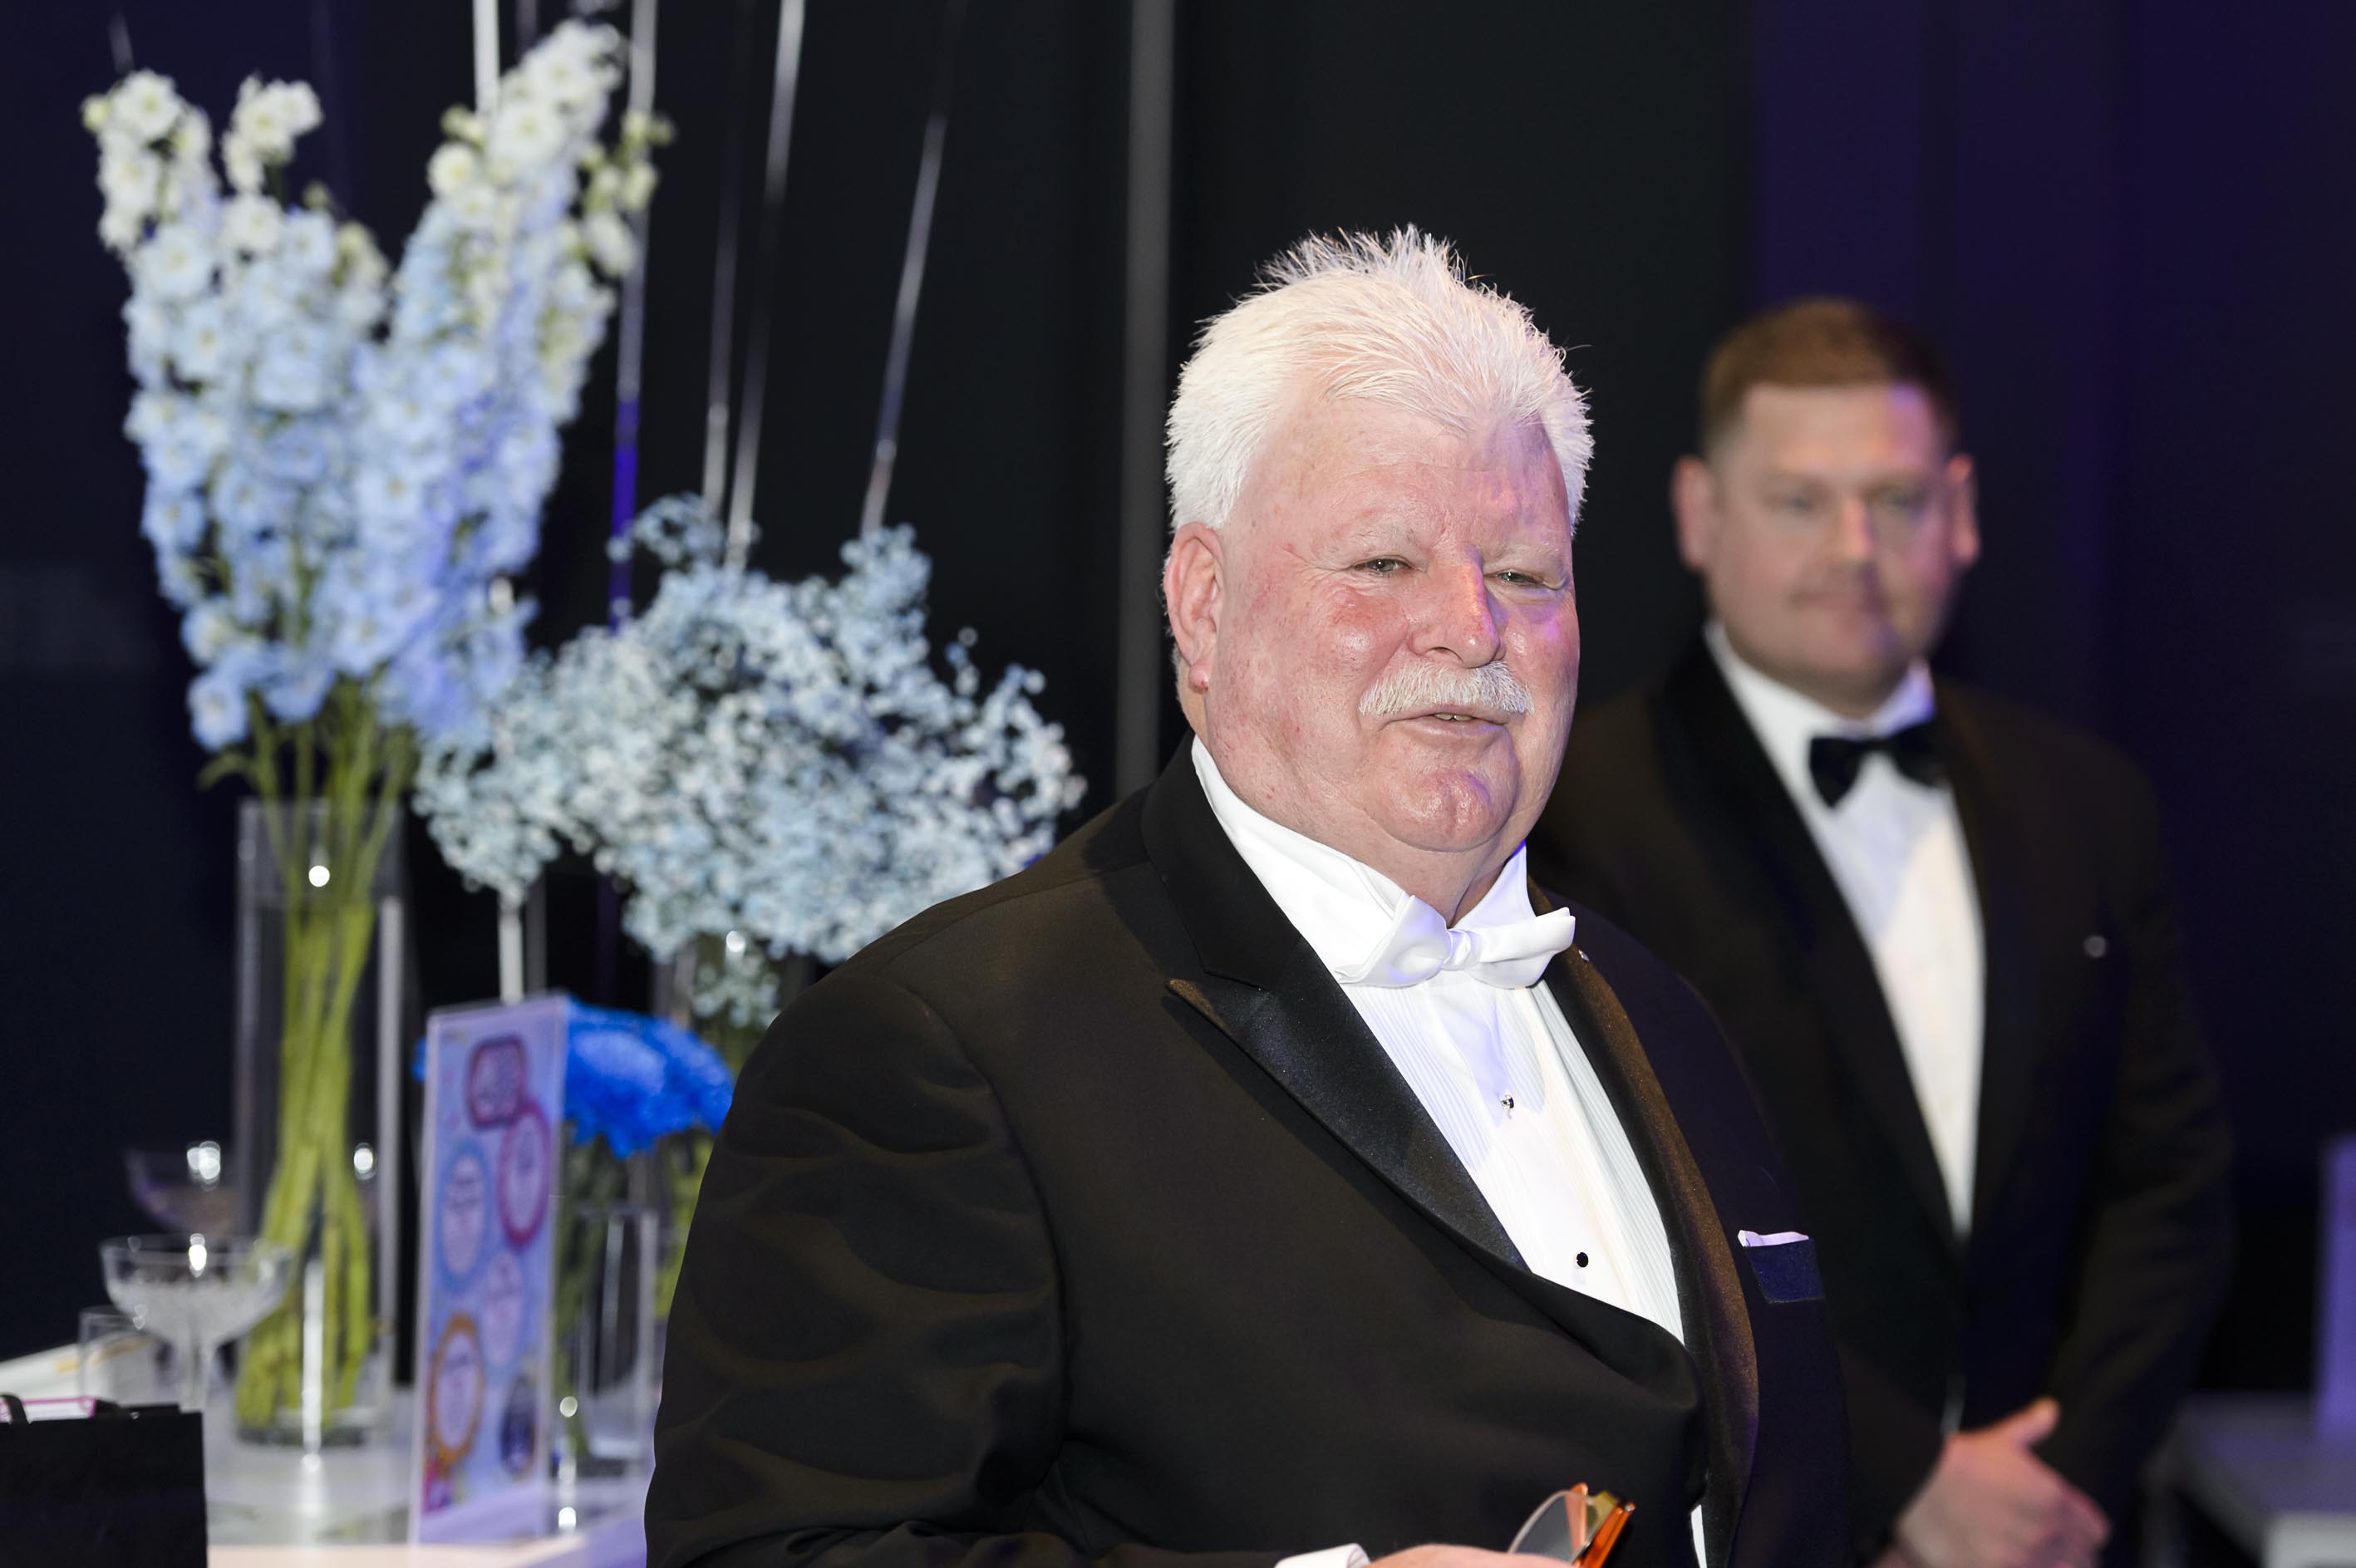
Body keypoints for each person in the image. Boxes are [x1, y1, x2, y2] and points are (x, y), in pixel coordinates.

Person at [646, 231, 1850, 1568]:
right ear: (1203, 606)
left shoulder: (1663, 1018)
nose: (1473, 627)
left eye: (1523, 573)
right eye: (1384, 564)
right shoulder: (946, 1051)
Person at [1527, 299, 2234, 1568]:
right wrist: (1911, 1486)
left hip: (2062, 1534)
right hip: (1770, 1527)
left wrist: (2062, 1487)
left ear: (1961, 511)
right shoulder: (1575, 812)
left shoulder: (2088, 802)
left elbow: (2168, 1187)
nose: (1855, 549)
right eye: (1800, 502)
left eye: (1896, 500)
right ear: (1700, 514)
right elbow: (1615, 1213)